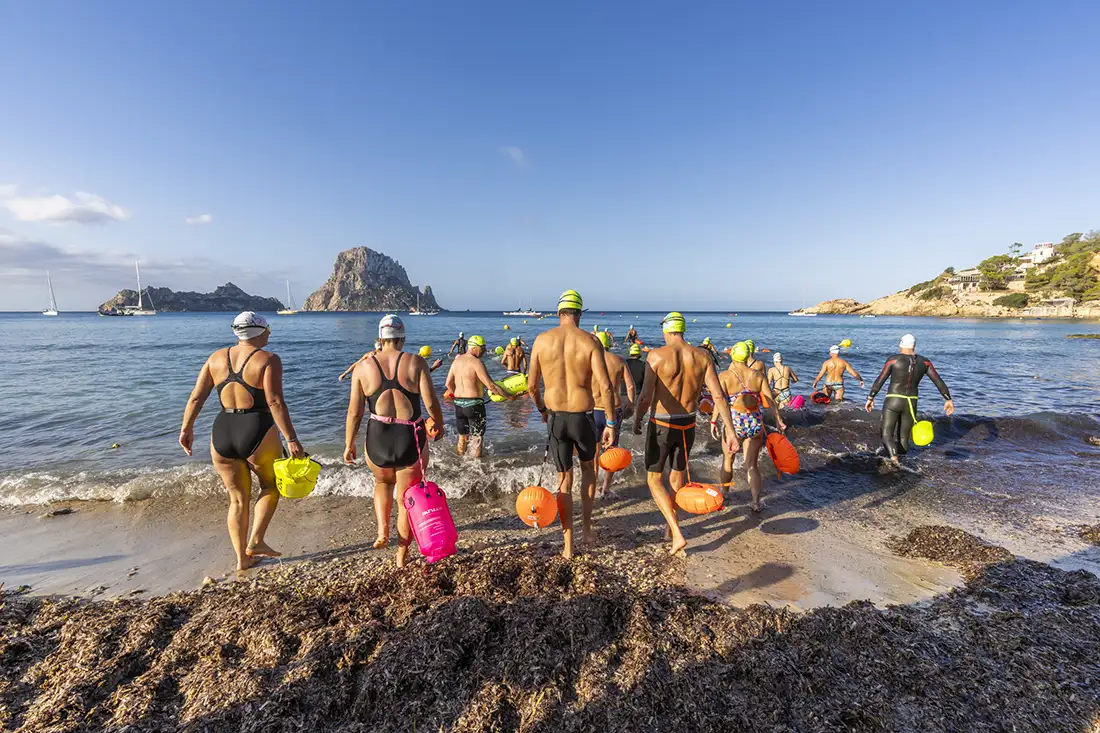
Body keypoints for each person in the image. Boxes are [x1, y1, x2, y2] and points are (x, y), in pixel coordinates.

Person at [179, 312, 305, 571]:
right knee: (270, 486)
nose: (270, 333)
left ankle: (242, 559)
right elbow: (274, 402)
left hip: (223, 431)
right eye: (268, 329)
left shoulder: (215, 358)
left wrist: (186, 429)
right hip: (256, 429)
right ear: (259, 332)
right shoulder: (268, 359)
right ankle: (256, 540)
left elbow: (196, 398)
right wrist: (291, 439)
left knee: (237, 499)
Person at [632, 312, 737, 555]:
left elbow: (646, 396)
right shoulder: (702, 356)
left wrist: (637, 418)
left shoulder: (656, 356)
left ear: (666, 330)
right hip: (687, 424)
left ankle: (676, 533)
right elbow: (718, 396)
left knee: (653, 479)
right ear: (683, 330)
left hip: (662, 424)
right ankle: (670, 530)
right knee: (676, 479)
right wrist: (729, 431)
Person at [344, 315, 445, 567]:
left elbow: (354, 412)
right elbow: (431, 401)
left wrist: (349, 443)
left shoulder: (363, 367)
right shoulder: (416, 362)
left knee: (381, 482)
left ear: (380, 338)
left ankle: (382, 531)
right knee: (406, 499)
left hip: (377, 436)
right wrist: (438, 423)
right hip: (409, 435)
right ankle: (401, 555)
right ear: (402, 338)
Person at [528, 289, 616, 559]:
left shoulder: (542, 341)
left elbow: (531, 386)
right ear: (579, 313)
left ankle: (568, 546)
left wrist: (542, 409)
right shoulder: (590, 341)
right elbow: (605, 386)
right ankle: (587, 529)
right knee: (588, 469)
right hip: (583, 417)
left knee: (563, 479)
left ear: (558, 313)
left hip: (556, 418)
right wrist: (611, 422)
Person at [715, 342, 786, 511]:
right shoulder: (758, 375)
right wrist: (778, 420)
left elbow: (719, 402)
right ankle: (755, 502)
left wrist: (713, 421)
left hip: (734, 424)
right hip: (754, 422)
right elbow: (770, 400)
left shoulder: (724, 376)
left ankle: (725, 494)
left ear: (733, 355)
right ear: (747, 356)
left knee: (728, 461)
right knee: (752, 465)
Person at [865, 334, 955, 464]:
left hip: (893, 400)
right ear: (914, 346)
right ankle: (902, 462)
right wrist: (948, 399)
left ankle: (894, 459)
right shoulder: (925, 362)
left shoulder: (893, 360)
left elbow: (881, 379)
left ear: (901, 344)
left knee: (886, 435)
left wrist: (871, 397)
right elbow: (938, 381)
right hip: (911, 402)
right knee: (903, 437)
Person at [445, 335, 508, 458]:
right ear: (474, 348)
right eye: (482, 348)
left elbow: (448, 383)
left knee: (462, 438)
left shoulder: (456, 361)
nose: (484, 350)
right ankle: (478, 467)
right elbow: (491, 386)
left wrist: (458, 396)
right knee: (477, 439)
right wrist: (509, 396)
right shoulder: (477, 362)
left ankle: (459, 463)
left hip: (459, 405)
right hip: (474, 405)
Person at [593, 331, 636, 494]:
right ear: (609, 345)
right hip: (614, 410)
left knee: (594, 451)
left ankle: (591, 486)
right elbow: (630, 386)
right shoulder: (618, 360)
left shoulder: (589, 361)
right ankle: (605, 489)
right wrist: (631, 405)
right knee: (612, 450)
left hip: (593, 410)